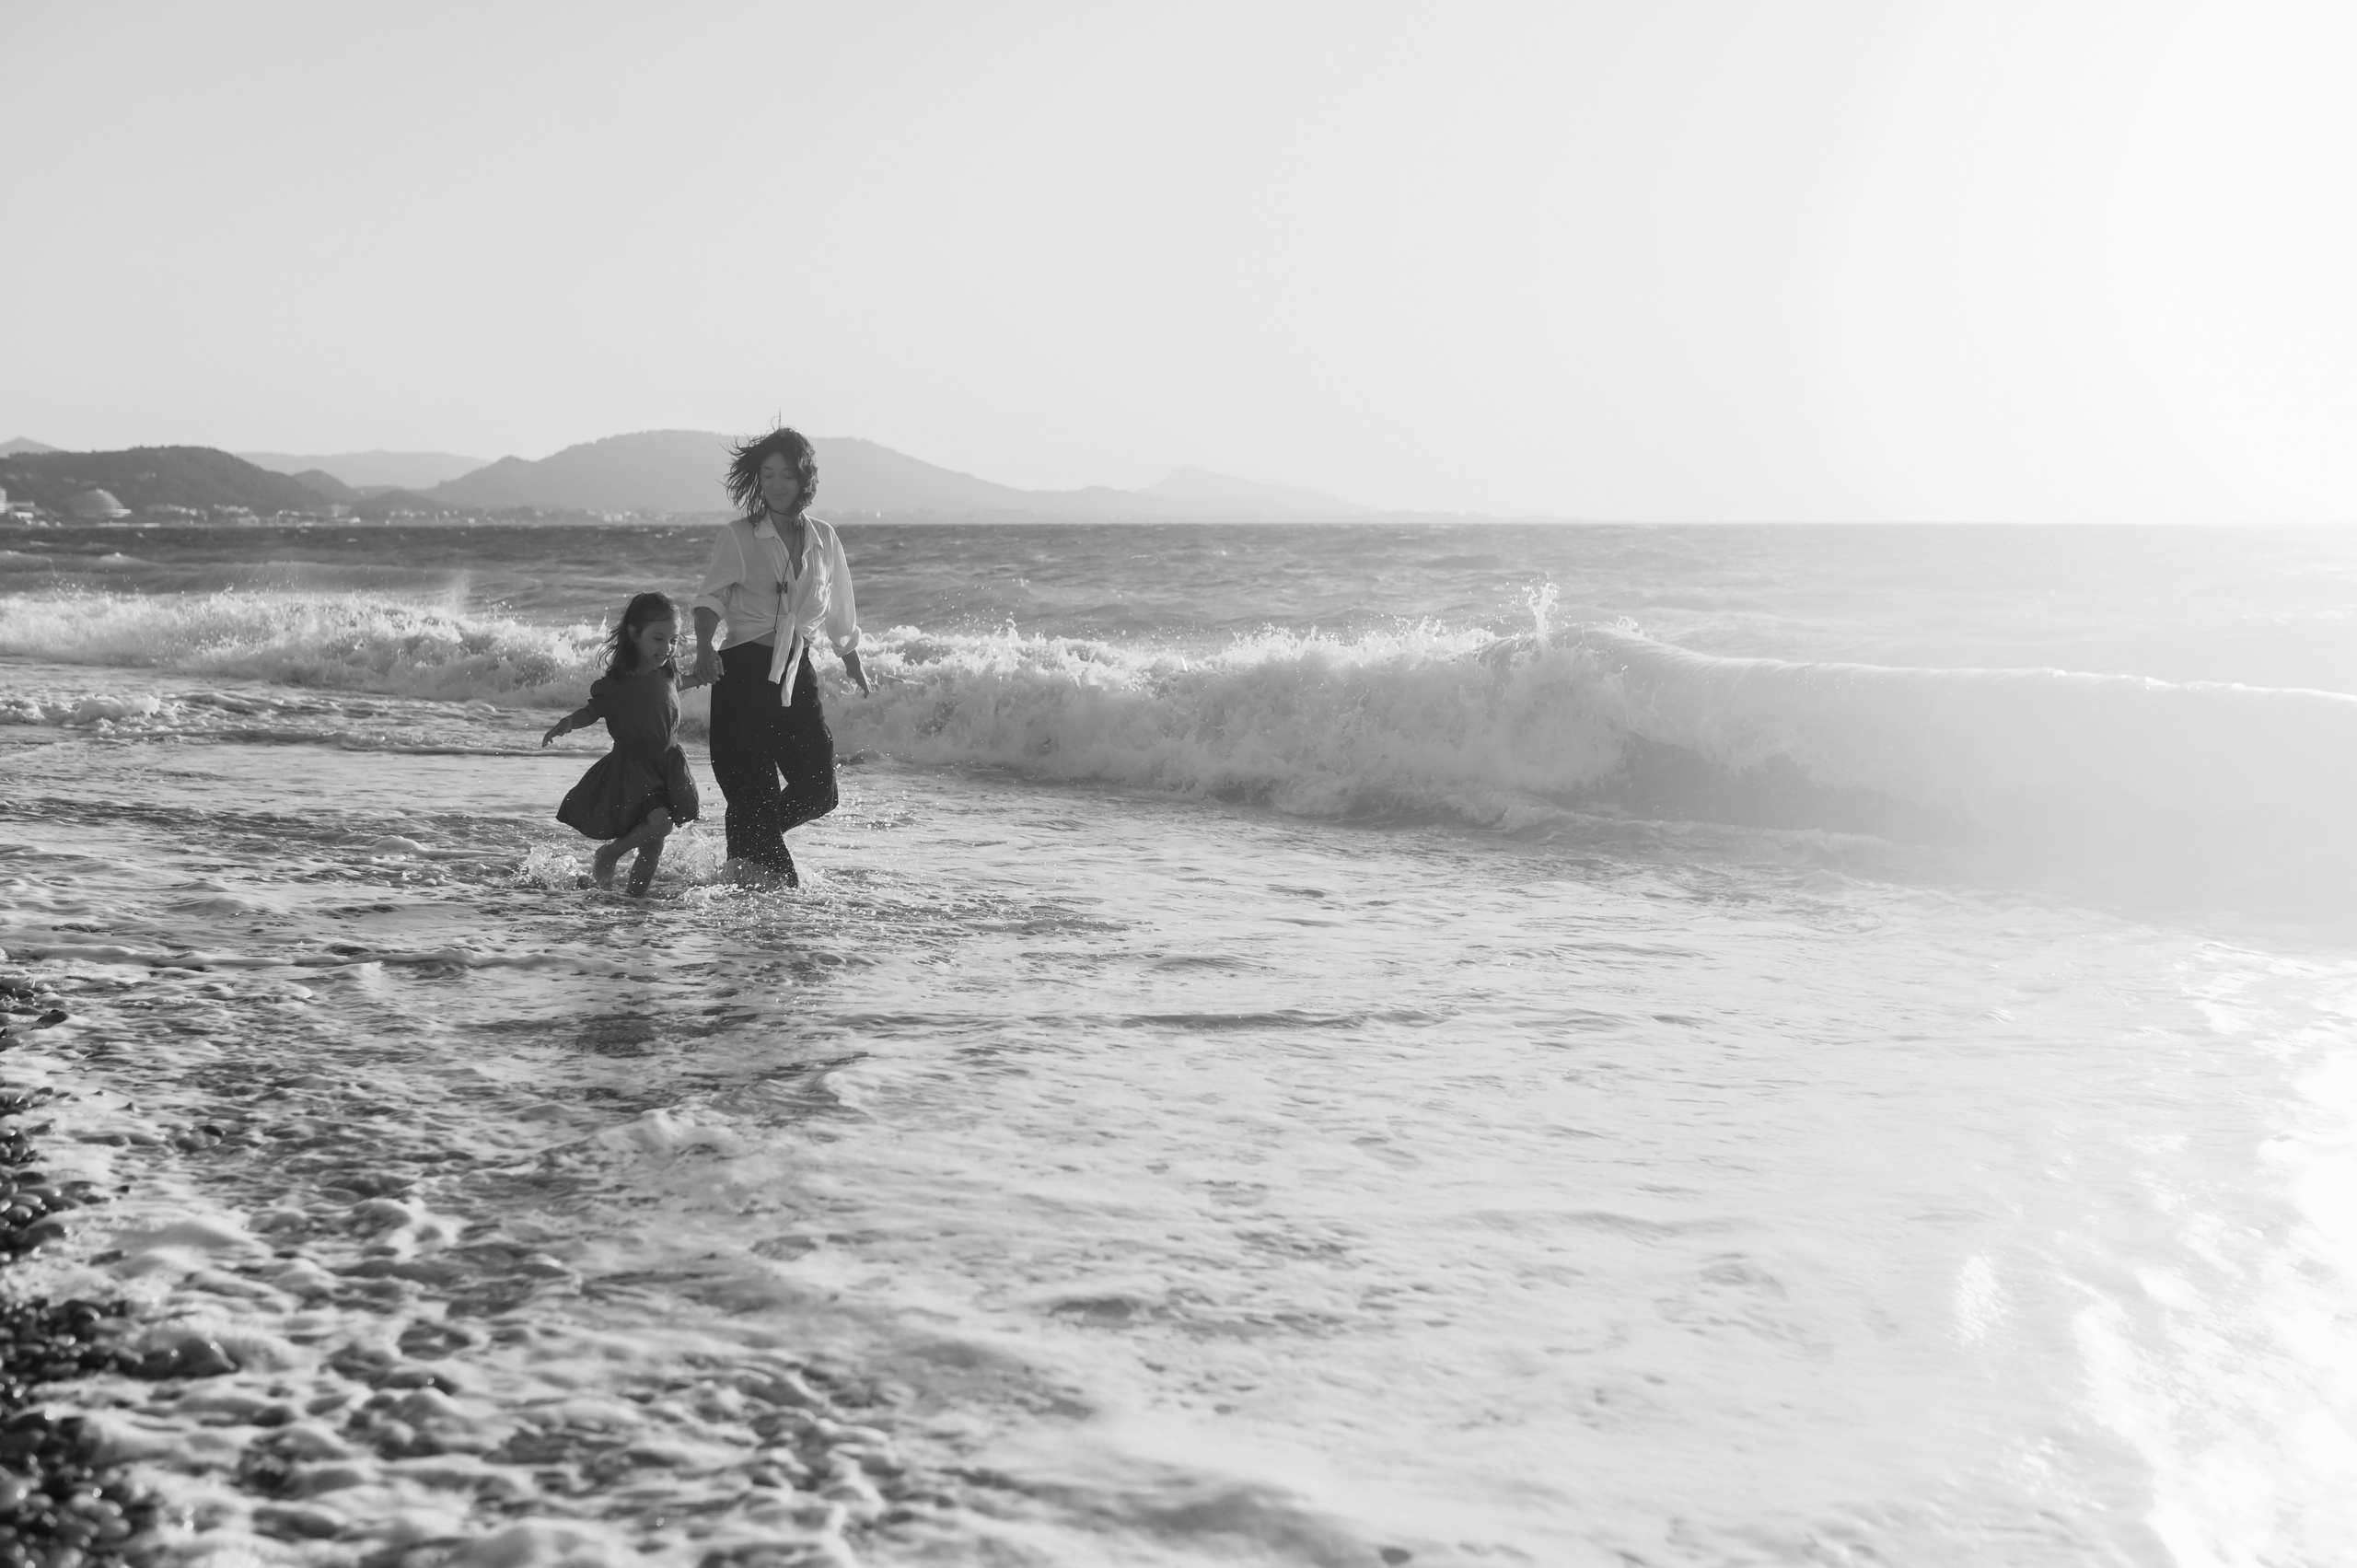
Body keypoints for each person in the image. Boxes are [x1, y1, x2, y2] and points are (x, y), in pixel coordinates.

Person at [690, 427, 869, 887]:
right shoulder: (739, 536)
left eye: (785, 474)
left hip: (795, 673)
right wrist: (704, 648)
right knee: (752, 792)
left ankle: (745, 846)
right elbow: (709, 600)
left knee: (820, 789)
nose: (775, 484)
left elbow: (840, 603)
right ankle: (757, 875)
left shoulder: (824, 538)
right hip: (743, 673)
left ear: (804, 477)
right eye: (767, 474)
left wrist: (849, 654)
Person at [544, 591, 704, 896]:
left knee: (654, 844)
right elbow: (592, 710)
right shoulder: (618, 684)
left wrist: (702, 676)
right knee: (661, 824)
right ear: (634, 634)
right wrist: (568, 723)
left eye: (672, 640)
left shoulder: (667, 672)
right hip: (633, 770)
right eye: (658, 639)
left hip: (667, 765)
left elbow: (678, 684)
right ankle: (610, 854)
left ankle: (634, 899)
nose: (666, 648)